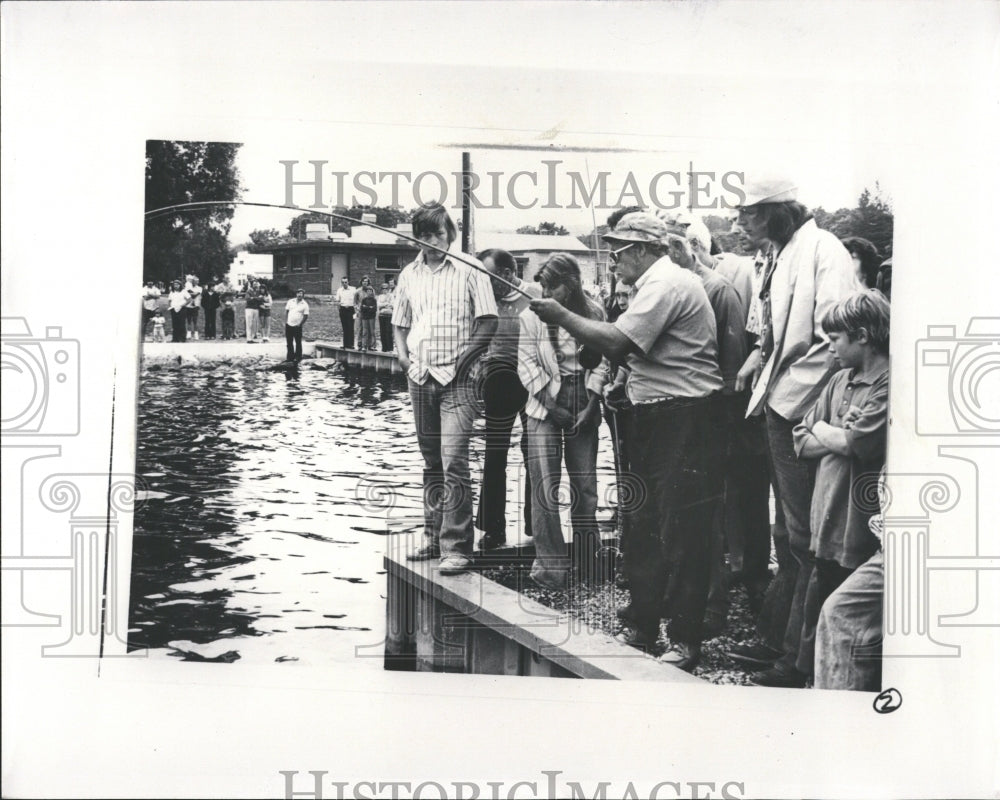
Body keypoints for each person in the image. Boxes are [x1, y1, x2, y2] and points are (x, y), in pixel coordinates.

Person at [530, 211, 723, 671]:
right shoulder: (648, 286)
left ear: (640, 250)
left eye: (617, 252)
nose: (613, 262)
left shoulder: (667, 284)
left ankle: (684, 638)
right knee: (642, 522)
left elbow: (618, 343)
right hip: (653, 414)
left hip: (684, 419)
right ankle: (642, 621)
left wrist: (561, 315)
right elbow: (630, 351)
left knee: (681, 530)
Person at [725, 176, 863, 688]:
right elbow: (775, 329)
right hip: (779, 403)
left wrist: (791, 404)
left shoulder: (822, 250)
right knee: (789, 532)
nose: (742, 223)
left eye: (750, 214)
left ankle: (797, 658)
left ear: (778, 211)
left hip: (798, 408)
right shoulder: (782, 252)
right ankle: (778, 638)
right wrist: (760, 359)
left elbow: (836, 337)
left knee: (806, 536)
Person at [786, 290, 889, 684]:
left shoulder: (886, 383)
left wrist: (827, 431)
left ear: (862, 335)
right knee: (821, 613)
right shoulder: (840, 379)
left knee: (851, 628)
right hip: (826, 524)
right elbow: (801, 439)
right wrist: (836, 433)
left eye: (835, 340)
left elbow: (856, 444)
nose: (830, 349)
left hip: (857, 529)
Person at [391, 202, 498, 575]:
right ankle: (432, 535)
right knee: (431, 460)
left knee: (454, 459)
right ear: (415, 238)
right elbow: (400, 323)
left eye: (438, 233)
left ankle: (457, 546)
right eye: (424, 235)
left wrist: (465, 362)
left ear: (449, 232)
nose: (432, 241)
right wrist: (403, 357)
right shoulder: (409, 273)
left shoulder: (471, 269)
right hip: (419, 377)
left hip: (459, 381)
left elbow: (487, 322)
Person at [518, 253, 607, 588]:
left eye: (551, 287)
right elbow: (525, 363)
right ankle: (550, 568)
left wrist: (592, 403)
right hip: (544, 405)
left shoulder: (595, 312)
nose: (545, 293)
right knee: (544, 486)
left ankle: (589, 561)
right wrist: (550, 404)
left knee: (585, 487)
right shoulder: (531, 316)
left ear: (570, 286)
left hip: (583, 397)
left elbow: (602, 360)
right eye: (542, 285)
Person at [474, 248, 542, 551]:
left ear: (505, 273)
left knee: (535, 452)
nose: (483, 283)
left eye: (487, 276)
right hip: (498, 378)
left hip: (534, 378)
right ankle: (492, 528)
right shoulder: (484, 299)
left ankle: (535, 523)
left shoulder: (536, 293)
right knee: (494, 454)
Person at [284, 289, 309, 361]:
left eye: (301, 294)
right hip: (289, 325)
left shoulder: (305, 304)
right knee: (289, 342)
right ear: (296, 294)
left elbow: (306, 315)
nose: (299, 295)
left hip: (297, 326)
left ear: (303, 295)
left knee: (298, 342)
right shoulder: (290, 301)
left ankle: (298, 357)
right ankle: (290, 357)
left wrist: (300, 324)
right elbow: (287, 311)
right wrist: (286, 321)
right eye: (298, 293)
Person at [336, 276, 356, 348]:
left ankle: (351, 344)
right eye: (343, 282)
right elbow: (338, 301)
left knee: (350, 326)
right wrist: (340, 310)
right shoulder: (339, 290)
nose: (344, 284)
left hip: (351, 309)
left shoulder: (353, 289)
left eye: (346, 282)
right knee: (345, 327)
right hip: (343, 309)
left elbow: (356, 300)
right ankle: (345, 344)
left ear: (348, 282)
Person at [354, 276, 373, 348]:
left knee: (369, 327)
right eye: (363, 281)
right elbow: (355, 302)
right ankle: (360, 343)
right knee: (360, 327)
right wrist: (357, 310)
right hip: (361, 312)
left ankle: (369, 344)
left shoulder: (371, 290)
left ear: (368, 282)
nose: (365, 283)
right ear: (361, 282)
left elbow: (374, 300)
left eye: (366, 281)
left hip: (369, 312)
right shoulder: (358, 291)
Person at [377, 281, 395, 352]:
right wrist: (386, 304)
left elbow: (393, 304)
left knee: (388, 331)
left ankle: (390, 348)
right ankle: (384, 348)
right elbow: (378, 305)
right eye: (383, 288)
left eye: (386, 288)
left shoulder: (391, 295)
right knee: (382, 332)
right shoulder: (380, 296)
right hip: (382, 315)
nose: (384, 290)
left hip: (389, 315)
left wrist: (383, 305)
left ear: (388, 289)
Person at [359, 285, 377, 350]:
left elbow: (374, 309)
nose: (369, 292)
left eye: (370, 291)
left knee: (372, 332)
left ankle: (372, 345)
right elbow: (362, 308)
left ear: (372, 292)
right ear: (366, 292)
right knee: (364, 332)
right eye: (368, 291)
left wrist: (366, 307)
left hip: (371, 317)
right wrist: (369, 307)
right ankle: (364, 346)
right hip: (364, 317)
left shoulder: (374, 300)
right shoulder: (364, 300)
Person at [184, 276, 202, 340]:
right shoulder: (188, 287)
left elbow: (195, 295)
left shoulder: (199, 288)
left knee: (195, 320)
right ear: (192, 281)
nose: (196, 282)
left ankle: (196, 334)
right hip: (188, 305)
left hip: (196, 305)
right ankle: (188, 334)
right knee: (188, 320)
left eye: (197, 281)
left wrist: (190, 293)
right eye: (194, 280)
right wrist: (190, 293)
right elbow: (186, 294)